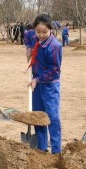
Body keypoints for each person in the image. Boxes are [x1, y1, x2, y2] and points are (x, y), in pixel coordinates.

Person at [27, 14, 62, 153]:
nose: (41, 35)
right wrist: (29, 47)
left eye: (45, 32)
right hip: (37, 85)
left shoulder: (54, 46)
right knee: (38, 117)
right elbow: (27, 35)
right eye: (38, 31)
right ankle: (42, 148)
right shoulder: (33, 36)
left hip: (50, 86)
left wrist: (38, 79)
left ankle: (56, 151)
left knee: (52, 118)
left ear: (51, 30)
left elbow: (54, 70)